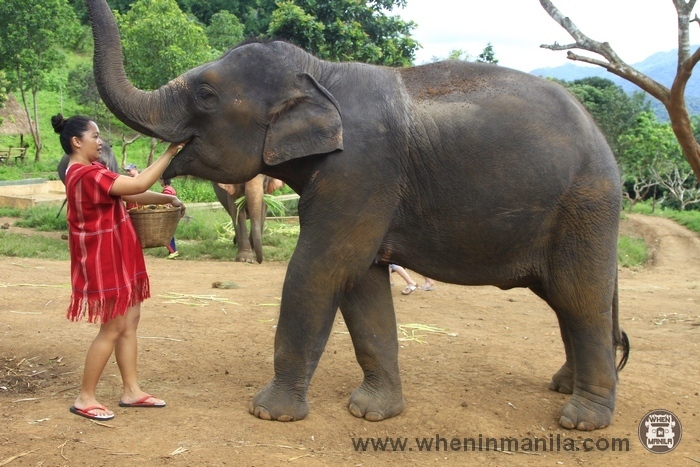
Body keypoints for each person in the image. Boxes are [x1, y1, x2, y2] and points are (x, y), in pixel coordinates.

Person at [51, 113, 186, 421]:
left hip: (118, 253)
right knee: (112, 327)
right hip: (104, 259)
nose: (100, 142)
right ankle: (85, 398)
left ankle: (132, 391)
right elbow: (138, 180)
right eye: (95, 136)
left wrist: (167, 200)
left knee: (130, 320)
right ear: (76, 141)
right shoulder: (86, 175)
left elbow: (132, 192)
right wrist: (170, 151)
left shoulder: (92, 170)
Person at [159, 177, 179, 259]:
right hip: (173, 213)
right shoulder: (171, 189)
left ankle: (172, 251)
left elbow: (166, 202)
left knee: (166, 233)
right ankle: (172, 251)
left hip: (168, 214)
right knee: (170, 233)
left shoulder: (166, 190)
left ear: (163, 181)